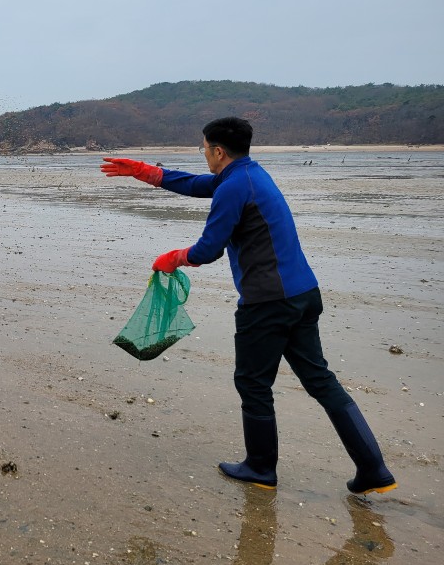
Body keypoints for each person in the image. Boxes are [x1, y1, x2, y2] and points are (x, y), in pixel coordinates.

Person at [100, 117, 397, 495]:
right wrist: (146, 172)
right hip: (304, 295)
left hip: (268, 302)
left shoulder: (234, 186)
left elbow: (208, 249)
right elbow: (195, 183)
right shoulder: (249, 175)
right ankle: (373, 468)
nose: (203, 154)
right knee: (321, 381)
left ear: (218, 151)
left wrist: (172, 257)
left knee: (252, 383)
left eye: (204, 148)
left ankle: (260, 468)